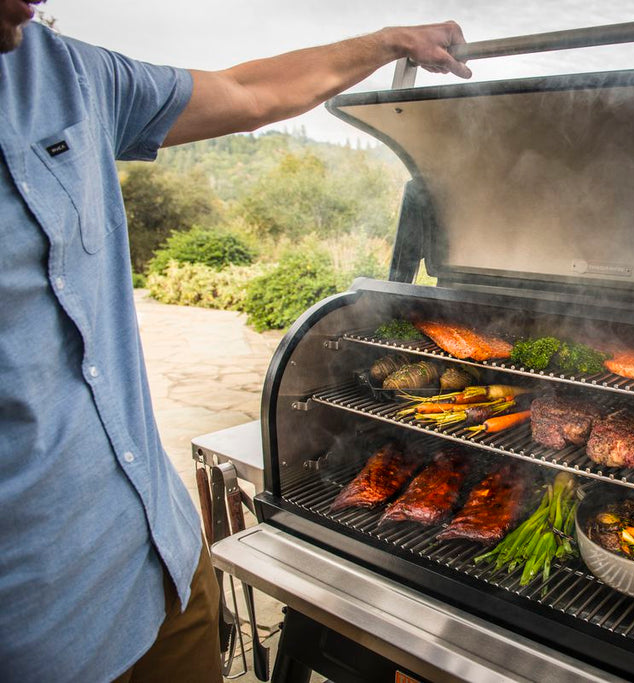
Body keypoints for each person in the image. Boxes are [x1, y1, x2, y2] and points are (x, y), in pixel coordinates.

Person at [0, 2, 471, 680]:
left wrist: (390, 41)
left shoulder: (66, 74)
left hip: (157, 556)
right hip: (32, 630)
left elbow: (248, 93)